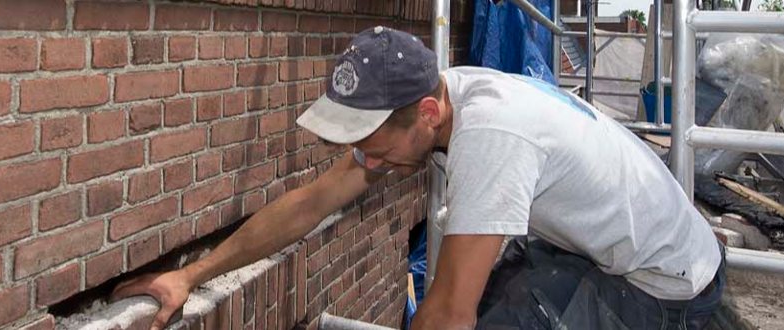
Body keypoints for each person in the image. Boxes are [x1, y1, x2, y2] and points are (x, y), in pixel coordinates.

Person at [112, 26, 726, 330]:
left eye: (374, 149)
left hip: (665, 287)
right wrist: (189, 276)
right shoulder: (435, 99)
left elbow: (449, 315)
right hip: (604, 250)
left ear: (427, 116)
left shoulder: (492, 136)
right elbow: (312, 202)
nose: (369, 164)